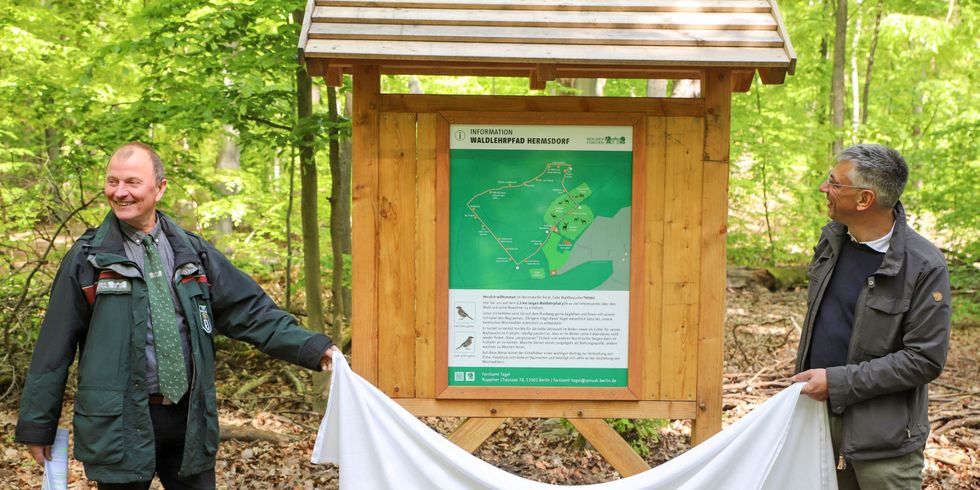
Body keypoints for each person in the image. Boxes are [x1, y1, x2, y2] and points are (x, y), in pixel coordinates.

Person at [15, 142, 342, 489]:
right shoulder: (88, 260)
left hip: (189, 422)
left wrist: (313, 347)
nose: (120, 192)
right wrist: (38, 426)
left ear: (160, 188)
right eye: (112, 182)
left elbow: (252, 312)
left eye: (132, 182)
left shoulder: (194, 253)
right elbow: (54, 348)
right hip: (117, 425)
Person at [791, 144, 951, 489]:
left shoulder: (923, 265)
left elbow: (924, 359)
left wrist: (837, 382)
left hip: (884, 445)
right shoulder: (831, 240)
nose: (824, 188)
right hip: (818, 427)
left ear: (864, 200)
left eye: (834, 183)